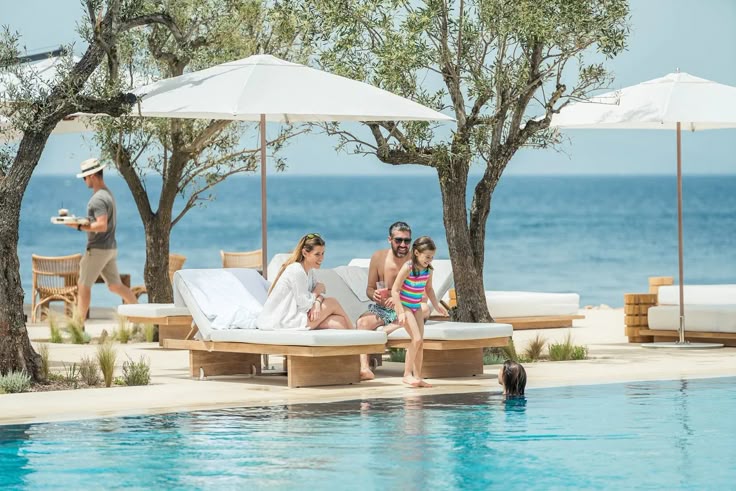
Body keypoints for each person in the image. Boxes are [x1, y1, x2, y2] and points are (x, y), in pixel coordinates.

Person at [356, 221, 431, 380]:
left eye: (407, 241)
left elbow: (423, 296)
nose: (403, 245)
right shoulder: (378, 258)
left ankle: (394, 325)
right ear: (389, 239)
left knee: (425, 308)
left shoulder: (416, 261)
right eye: (398, 240)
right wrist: (374, 295)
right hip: (384, 309)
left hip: (406, 308)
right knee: (362, 322)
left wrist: (398, 300)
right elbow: (369, 289)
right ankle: (365, 368)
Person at [66, 158, 137, 324]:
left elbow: (101, 225)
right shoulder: (107, 193)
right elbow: (102, 221)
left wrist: (78, 226)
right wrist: (84, 221)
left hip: (98, 249)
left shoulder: (98, 199)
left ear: (92, 176)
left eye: (85, 178)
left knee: (83, 285)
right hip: (110, 248)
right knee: (115, 286)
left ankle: (77, 326)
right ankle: (141, 316)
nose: (84, 181)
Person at [257, 233, 354, 330]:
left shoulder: (310, 272)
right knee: (332, 302)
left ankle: (354, 333)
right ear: (305, 253)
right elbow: (304, 304)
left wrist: (317, 303)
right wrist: (317, 292)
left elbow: (318, 294)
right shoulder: (296, 270)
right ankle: (355, 332)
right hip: (283, 320)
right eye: (317, 254)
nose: (321, 258)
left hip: (297, 315)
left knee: (340, 321)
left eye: (323, 253)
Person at [391, 236, 448, 388]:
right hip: (405, 306)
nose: (430, 260)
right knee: (416, 339)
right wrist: (400, 312)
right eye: (427, 257)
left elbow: (429, 289)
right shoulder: (408, 267)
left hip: (416, 306)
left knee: (420, 342)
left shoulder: (429, 270)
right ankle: (406, 375)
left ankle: (417, 377)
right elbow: (395, 290)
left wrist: (436, 306)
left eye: (432, 257)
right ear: (417, 253)